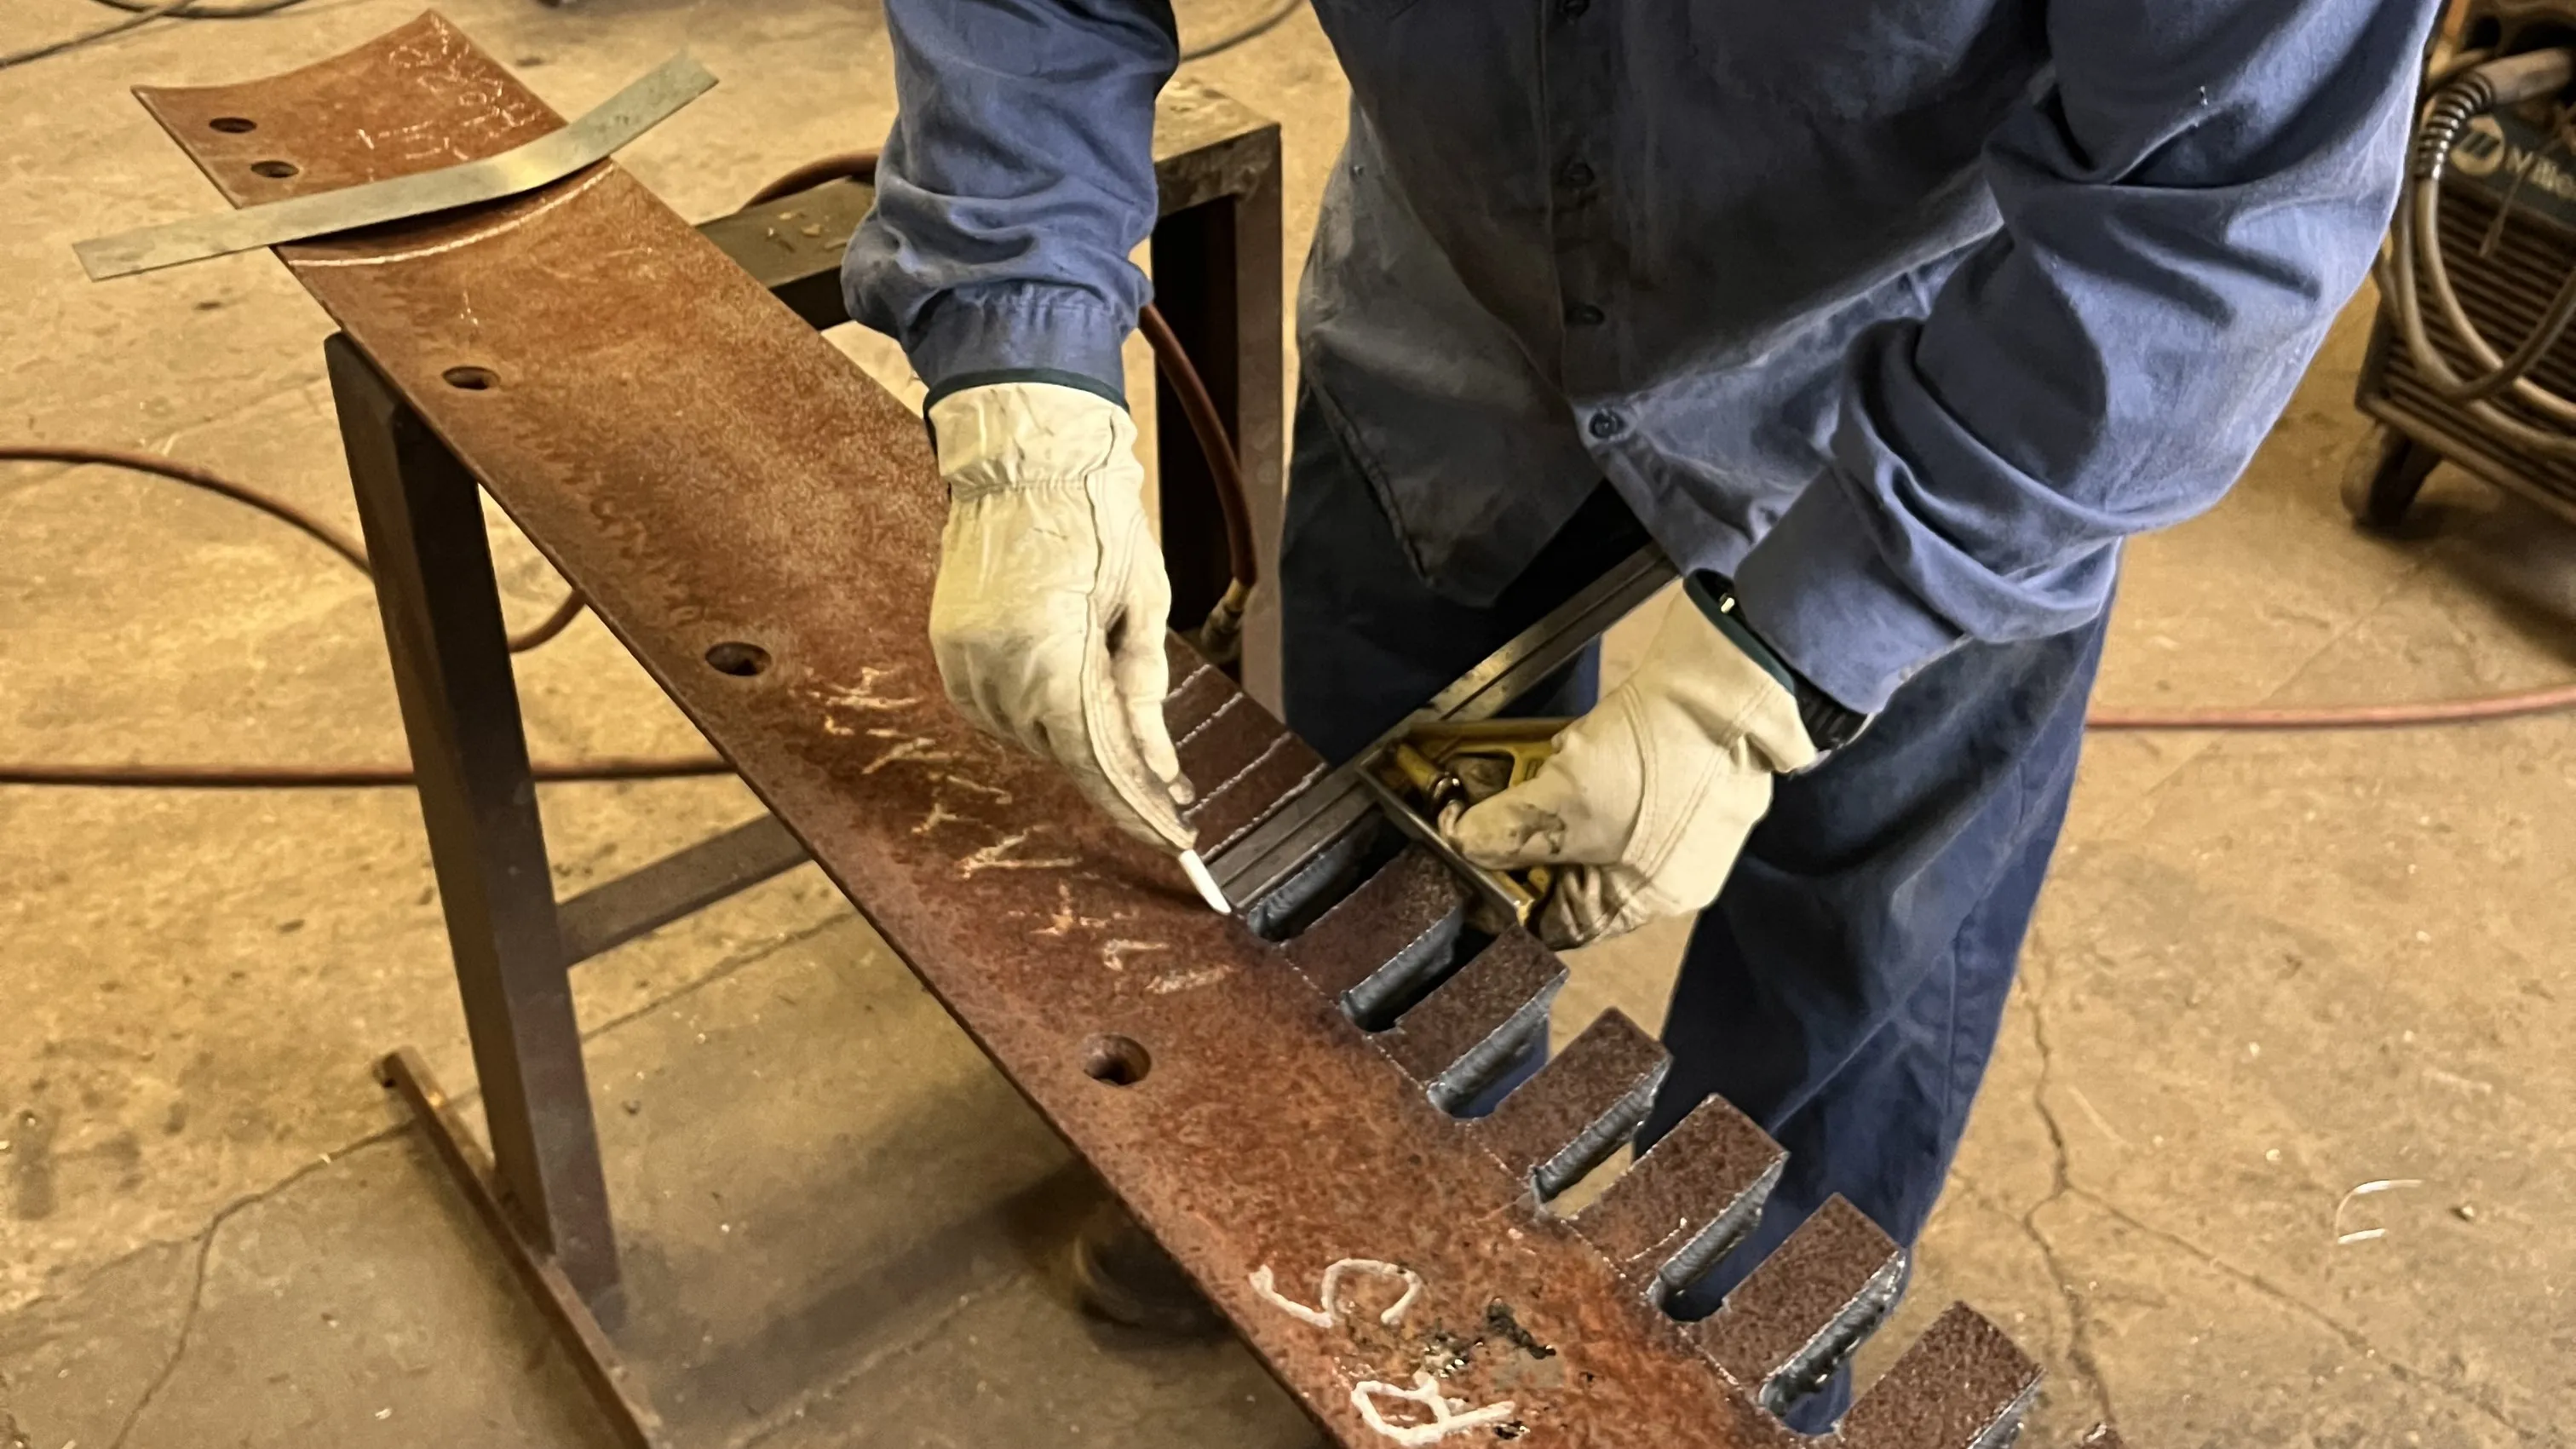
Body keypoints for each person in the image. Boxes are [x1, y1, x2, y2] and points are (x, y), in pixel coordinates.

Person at [847, 0, 2438, 1427]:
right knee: (1363, 840)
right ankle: (1355, 1248)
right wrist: (1018, 360)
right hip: (1456, 304)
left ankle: (1705, 1381)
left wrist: (1792, 665)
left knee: (1850, 968)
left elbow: (2227, 199)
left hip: (1940, 384)